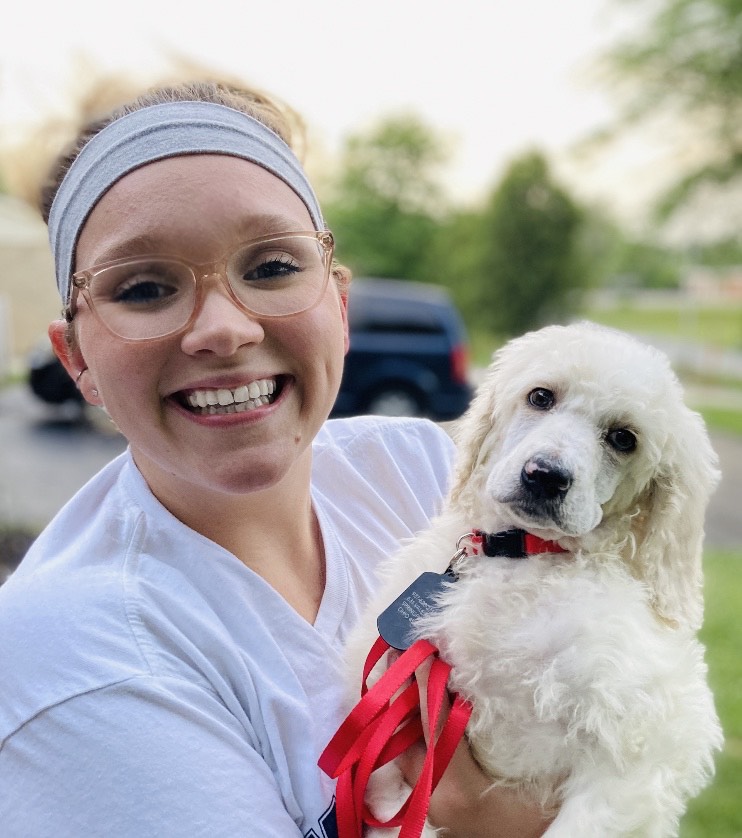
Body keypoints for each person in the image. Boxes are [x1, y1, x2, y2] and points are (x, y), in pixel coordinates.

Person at [0, 79, 551, 837]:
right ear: (77, 360)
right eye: (146, 286)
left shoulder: (419, 474)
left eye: (270, 268)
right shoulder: (77, 654)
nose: (224, 329)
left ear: (339, 306)